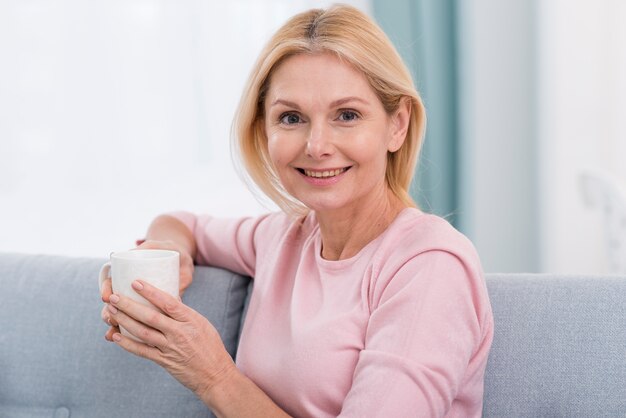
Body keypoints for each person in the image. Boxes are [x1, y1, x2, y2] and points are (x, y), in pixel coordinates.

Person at [100, 5, 493, 417]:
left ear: (397, 125)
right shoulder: (282, 238)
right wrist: (168, 250)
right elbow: (183, 223)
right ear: (263, 131)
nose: (317, 145)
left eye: (347, 115)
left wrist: (213, 375)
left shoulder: (429, 265)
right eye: (291, 118)